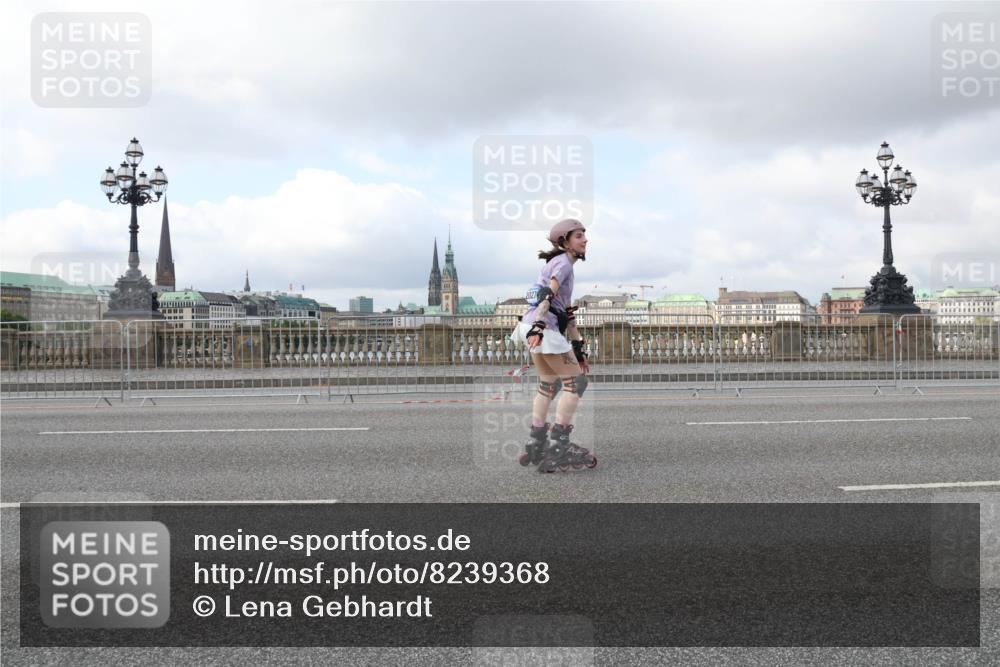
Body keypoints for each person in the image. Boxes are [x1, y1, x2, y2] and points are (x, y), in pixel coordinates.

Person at [512, 218, 597, 473]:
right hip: (542, 328)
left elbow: (567, 314)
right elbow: (546, 296)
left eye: (584, 235)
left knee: (548, 384)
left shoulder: (560, 264)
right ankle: (559, 445)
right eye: (579, 236)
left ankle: (536, 440)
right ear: (565, 242)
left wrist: (579, 351)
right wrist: (539, 325)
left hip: (531, 326)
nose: (585, 239)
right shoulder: (562, 264)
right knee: (576, 383)